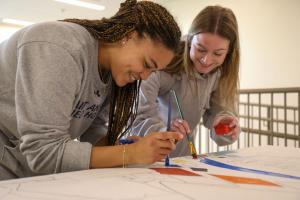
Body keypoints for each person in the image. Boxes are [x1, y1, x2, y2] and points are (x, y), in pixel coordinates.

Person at [0, 0, 183, 180]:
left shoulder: (112, 72)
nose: (145, 77)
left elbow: (93, 130)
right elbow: (43, 151)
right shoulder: (59, 47)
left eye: (153, 71)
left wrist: (122, 146)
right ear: (128, 36)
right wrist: (129, 153)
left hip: (28, 173)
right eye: (146, 64)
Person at [129, 5, 241, 157]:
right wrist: (164, 134)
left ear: (229, 52)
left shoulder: (222, 72)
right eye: (200, 49)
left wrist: (224, 125)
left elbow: (218, 123)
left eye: (218, 53)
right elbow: (138, 115)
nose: (206, 61)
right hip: (141, 156)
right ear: (189, 40)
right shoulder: (164, 59)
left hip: (182, 158)